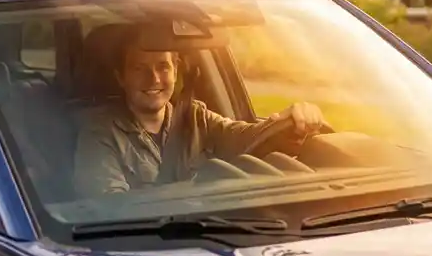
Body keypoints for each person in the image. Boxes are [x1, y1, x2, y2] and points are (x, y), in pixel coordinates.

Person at [73, 31, 326, 195]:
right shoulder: (99, 133)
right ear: (121, 77)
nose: (154, 79)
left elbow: (246, 137)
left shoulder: (197, 118)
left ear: (176, 71)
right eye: (140, 69)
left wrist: (292, 122)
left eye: (163, 67)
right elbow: (109, 208)